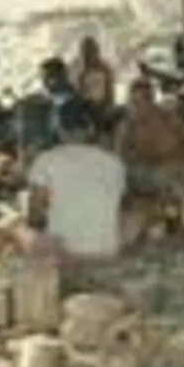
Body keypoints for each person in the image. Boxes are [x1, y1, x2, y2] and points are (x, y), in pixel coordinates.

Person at [27, 100, 126, 258]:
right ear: (91, 129)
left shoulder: (46, 161)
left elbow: (35, 216)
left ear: (59, 129)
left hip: (65, 255)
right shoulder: (114, 163)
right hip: (106, 252)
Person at [116, 79, 184, 197]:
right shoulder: (128, 127)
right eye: (132, 102)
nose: (135, 107)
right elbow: (120, 158)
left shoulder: (167, 117)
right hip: (149, 174)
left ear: (150, 101)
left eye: (139, 102)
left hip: (175, 170)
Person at [74, 37, 116, 136]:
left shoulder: (105, 69)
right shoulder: (82, 72)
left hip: (103, 103)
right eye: (86, 51)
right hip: (88, 104)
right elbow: (81, 91)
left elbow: (109, 89)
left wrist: (106, 102)